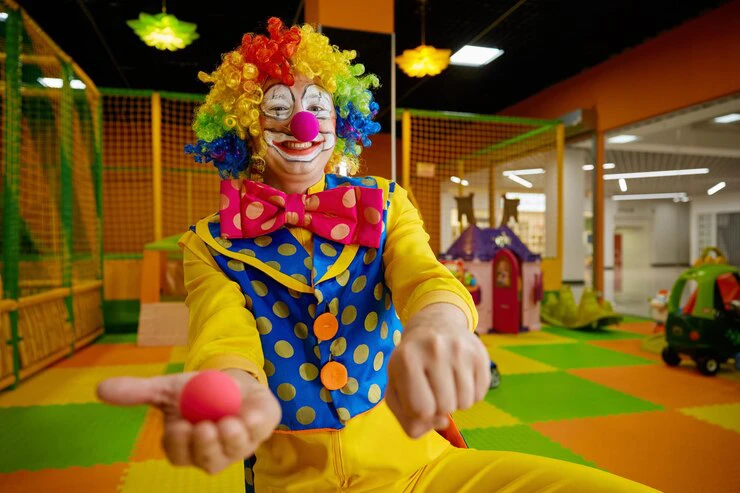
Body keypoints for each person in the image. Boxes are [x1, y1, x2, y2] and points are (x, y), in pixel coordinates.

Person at [98, 18, 659, 492]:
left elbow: (425, 276)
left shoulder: (385, 204)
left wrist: (440, 324)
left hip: (419, 465)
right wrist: (232, 389)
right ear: (244, 126)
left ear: (340, 120)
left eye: (318, 107)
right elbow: (222, 334)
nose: (302, 124)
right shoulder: (211, 242)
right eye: (278, 107)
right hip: (290, 480)